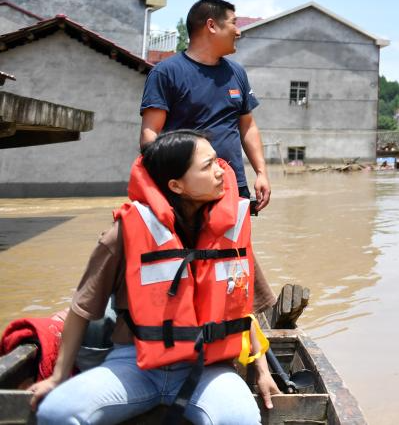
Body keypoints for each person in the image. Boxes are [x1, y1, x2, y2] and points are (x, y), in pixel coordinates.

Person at [30, 130, 280, 425]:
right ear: (176, 185)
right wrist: (58, 376)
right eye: (208, 165)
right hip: (135, 365)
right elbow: (82, 308)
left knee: (241, 420)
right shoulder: (128, 231)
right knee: (56, 411)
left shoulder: (231, 233)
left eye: (218, 162)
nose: (221, 172)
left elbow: (242, 309)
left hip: (207, 370)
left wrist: (263, 371)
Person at [141, 0, 270, 215]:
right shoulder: (166, 73)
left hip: (232, 186)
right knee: (186, 250)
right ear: (211, 26)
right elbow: (150, 134)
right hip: (188, 192)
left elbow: (247, 127)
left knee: (233, 250)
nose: (238, 32)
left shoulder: (237, 73)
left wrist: (261, 172)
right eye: (233, 23)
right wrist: (164, 184)